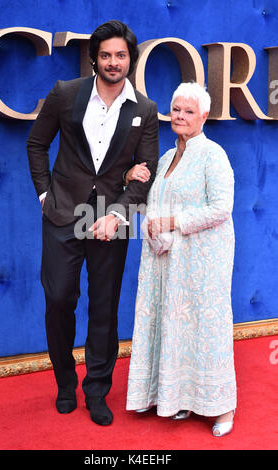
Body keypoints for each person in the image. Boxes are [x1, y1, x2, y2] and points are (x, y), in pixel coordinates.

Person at [27, 20, 159, 426]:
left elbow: (147, 169)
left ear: (130, 60)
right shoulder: (66, 94)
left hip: (109, 220)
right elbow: (36, 143)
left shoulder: (146, 110)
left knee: (104, 309)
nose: (113, 62)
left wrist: (118, 213)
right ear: (94, 58)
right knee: (60, 300)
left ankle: (97, 390)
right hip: (63, 214)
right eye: (106, 55)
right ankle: (65, 383)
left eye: (121, 55)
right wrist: (46, 195)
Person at [126, 82, 237, 437]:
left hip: (203, 260)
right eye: (176, 109)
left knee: (206, 330)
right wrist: (132, 177)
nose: (180, 116)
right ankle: (180, 398)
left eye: (189, 111)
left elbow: (221, 208)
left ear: (204, 115)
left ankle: (224, 408)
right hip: (169, 259)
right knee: (177, 328)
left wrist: (173, 223)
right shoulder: (165, 157)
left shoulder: (213, 154)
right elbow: (157, 200)